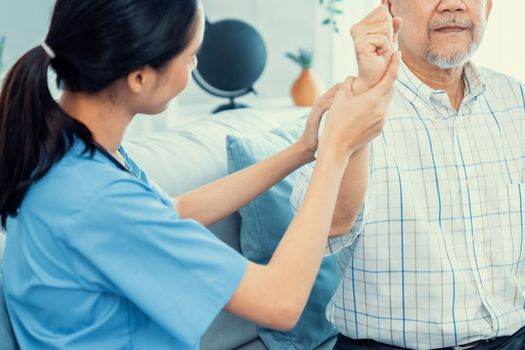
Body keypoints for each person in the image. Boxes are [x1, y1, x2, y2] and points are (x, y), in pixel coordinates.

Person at [0, 0, 401, 348]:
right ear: (140, 77)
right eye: (191, 56)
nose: (194, 66)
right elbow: (279, 302)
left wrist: (303, 151)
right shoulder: (96, 200)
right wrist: (336, 151)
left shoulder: (76, 152)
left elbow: (174, 209)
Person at [292, 0, 525, 349]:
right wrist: (367, 92)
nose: (454, 4)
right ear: (388, 8)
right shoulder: (352, 105)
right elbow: (324, 230)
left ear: (488, 7)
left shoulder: (515, 98)